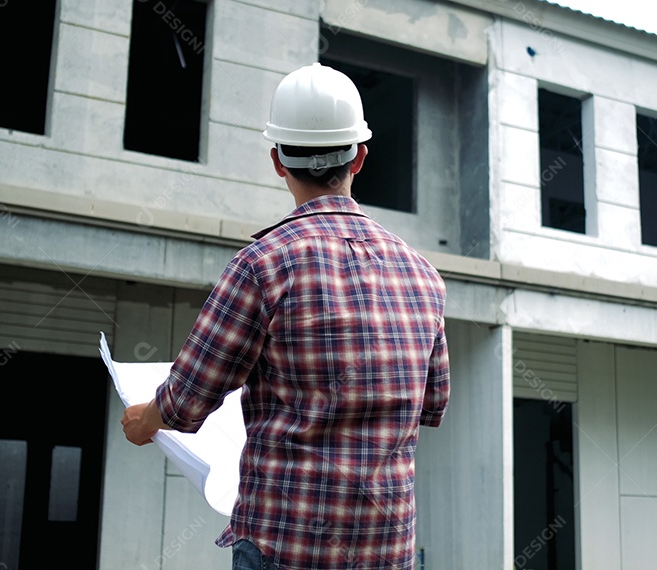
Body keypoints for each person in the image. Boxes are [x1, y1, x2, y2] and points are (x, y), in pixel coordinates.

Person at [122, 62, 450, 570]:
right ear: (360, 157)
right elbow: (432, 405)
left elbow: (187, 399)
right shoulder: (424, 277)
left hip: (285, 547)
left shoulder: (262, 264)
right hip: (386, 551)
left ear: (277, 160)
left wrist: (144, 421)